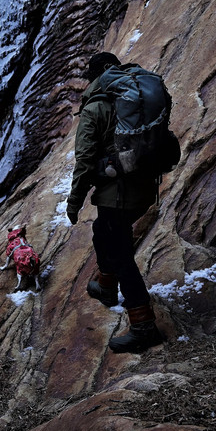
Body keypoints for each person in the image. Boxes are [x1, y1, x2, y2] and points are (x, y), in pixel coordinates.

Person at [66, 51, 165, 353]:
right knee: (102, 231)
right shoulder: (137, 96)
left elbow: (84, 160)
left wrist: (74, 202)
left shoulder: (96, 107)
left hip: (117, 195)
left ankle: (143, 326)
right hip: (144, 188)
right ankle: (105, 286)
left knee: (120, 252)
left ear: (93, 77)